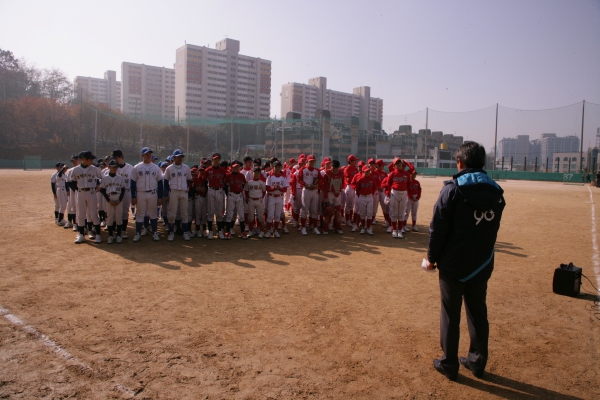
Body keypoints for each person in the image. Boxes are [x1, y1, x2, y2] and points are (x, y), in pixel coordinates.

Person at [425, 141, 506, 381]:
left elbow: (437, 229)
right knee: (478, 312)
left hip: (454, 265)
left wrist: (431, 258)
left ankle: (449, 364)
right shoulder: (497, 192)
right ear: (483, 163)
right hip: (482, 262)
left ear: (460, 162)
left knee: (451, 314)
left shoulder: (452, 189)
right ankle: (477, 362)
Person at [69, 151, 104, 244]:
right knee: (80, 214)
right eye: (90, 159)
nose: (92, 161)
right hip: (80, 193)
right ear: (84, 159)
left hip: (92, 192)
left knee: (93, 214)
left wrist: (99, 185)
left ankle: (98, 235)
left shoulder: (94, 169)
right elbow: (72, 181)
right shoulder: (75, 170)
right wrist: (78, 189)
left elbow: (102, 177)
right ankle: (81, 235)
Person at [130, 147, 164, 242]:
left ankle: (154, 232)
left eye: (150, 154)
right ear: (142, 155)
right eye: (146, 154)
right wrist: (133, 196)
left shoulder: (155, 167)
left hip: (153, 193)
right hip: (141, 193)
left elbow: (160, 182)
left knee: (153, 214)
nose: (149, 155)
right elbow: (132, 183)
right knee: (140, 213)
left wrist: (160, 197)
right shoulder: (137, 167)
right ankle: (137, 233)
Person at [164, 149, 193, 241]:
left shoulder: (186, 167)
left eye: (181, 156)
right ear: (174, 157)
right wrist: (168, 192)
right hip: (174, 191)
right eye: (178, 157)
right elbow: (165, 181)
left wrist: (185, 187)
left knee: (184, 213)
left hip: (183, 191)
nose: (180, 158)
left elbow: (188, 179)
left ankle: (185, 232)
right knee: (172, 213)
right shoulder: (169, 168)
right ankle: (171, 232)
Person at [100, 159, 126, 244]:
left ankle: (118, 236)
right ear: (109, 167)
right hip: (109, 198)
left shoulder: (120, 178)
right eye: (113, 167)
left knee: (119, 218)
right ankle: (111, 236)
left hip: (118, 198)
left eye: (116, 167)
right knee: (110, 218)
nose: (115, 168)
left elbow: (123, 190)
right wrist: (108, 200)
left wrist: (119, 200)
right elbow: (103, 190)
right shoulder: (105, 178)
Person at [224, 160, 247, 239]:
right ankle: (228, 231)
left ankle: (243, 232)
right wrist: (228, 194)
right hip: (231, 194)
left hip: (239, 195)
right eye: (234, 168)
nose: (236, 169)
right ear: (231, 168)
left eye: (237, 167)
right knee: (229, 213)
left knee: (241, 214)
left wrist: (240, 191)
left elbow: (244, 184)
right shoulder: (228, 175)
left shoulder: (241, 176)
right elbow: (226, 186)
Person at [245, 167, 267, 238]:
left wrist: (260, 198)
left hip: (259, 200)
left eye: (258, 173)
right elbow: (246, 191)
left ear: (259, 174)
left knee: (260, 216)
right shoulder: (249, 182)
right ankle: (251, 231)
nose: (256, 174)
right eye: (255, 173)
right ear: (252, 173)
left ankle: (261, 231)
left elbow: (264, 192)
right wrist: (248, 198)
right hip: (251, 200)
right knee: (251, 216)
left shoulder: (262, 183)